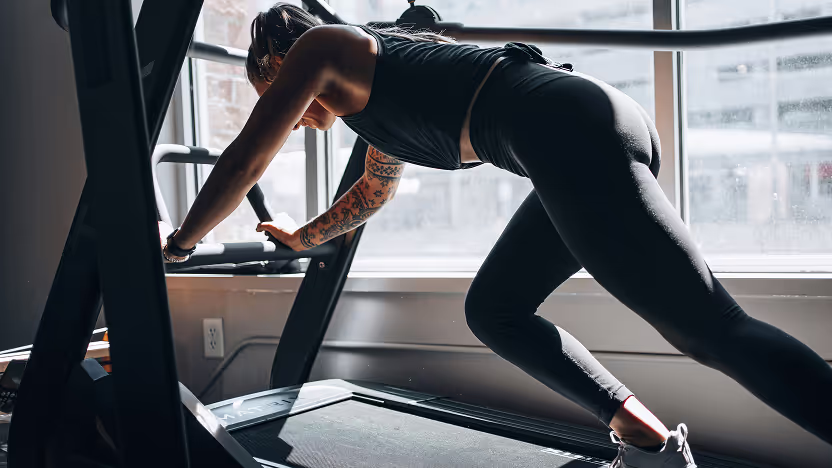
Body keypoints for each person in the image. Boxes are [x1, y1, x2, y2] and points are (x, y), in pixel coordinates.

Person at [160, 3, 832, 466]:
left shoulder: (327, 47)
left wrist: (183, 240)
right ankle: (644, 436)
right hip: (572, 134)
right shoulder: (377, 106)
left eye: (271, 88)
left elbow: (249, 155)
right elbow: (373, 191)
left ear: (283, 59)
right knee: (494, 310)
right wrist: (303, 238)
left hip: (567, 132)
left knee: (711, 330)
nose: (288, 114)